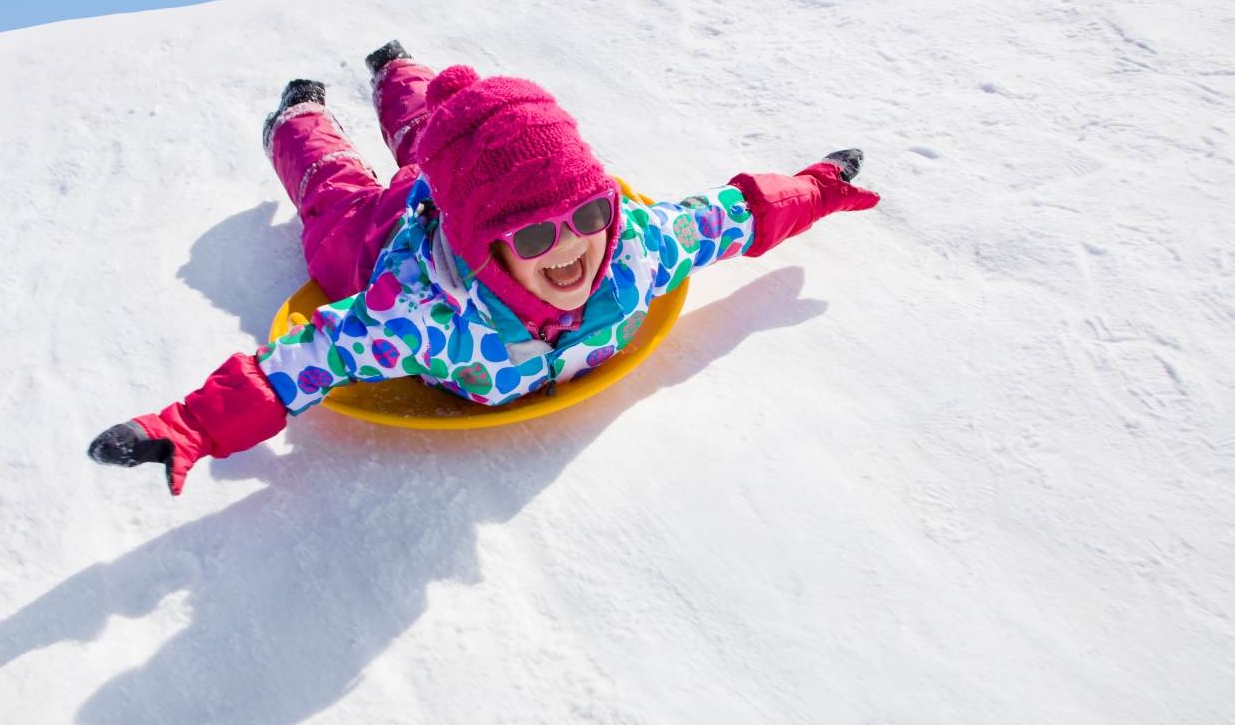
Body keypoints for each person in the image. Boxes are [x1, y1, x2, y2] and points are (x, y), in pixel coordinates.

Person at [88, 41, 881, 494]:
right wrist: (191, 424)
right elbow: (306, 360)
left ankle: (397, 71)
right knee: (336, 193)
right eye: (536, 239)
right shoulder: (423, 314)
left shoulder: (634, 246)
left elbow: (733, 215)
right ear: (485, 247)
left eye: (589, 216)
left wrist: (818, 186)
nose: (572, 249)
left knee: (440, 128)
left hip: (460, 194)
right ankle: (297, 116)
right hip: (380, 237)